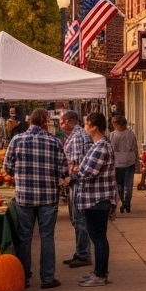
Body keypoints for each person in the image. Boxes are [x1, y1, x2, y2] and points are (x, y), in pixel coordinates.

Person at [3, 108, 69, 289]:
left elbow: (7, 167)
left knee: (25, 237)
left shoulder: (17, 140)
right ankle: (47, 278)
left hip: (24, 197)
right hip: (48, 197)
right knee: (47, 236)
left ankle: (23, 276)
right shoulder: (54, 141)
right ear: (45, 121)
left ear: (30, 121)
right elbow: (63, 171)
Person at [70, 111, 116, 287]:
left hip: (97, 199)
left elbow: (88, 172)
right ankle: (98, 271)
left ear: (94, 126)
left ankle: (101, 274)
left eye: (86, 124)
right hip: (93, 198)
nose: (84, 127)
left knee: (98, 237)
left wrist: (74, 172)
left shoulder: (101, 147)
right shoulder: (97, 145)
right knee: (96, 236)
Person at [59, 110, 93, 270]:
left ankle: (84, 254)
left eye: (61, 122)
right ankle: (80, 252)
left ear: (69, 121)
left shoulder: (79, 136)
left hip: (79, 184)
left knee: (80, 220)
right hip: (75, 184)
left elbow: (79, 163)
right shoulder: (74, 136)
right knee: (77, 220)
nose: (60, 125)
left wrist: (69, 178)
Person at [109, 116, 140, 212]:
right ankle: (127, 203)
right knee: (128, 184)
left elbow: (110, 150)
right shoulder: (131, 134)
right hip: (129, 162)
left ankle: (123, 202)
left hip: (117, 163)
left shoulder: (112, 135)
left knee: (120, 185)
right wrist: (137, 162)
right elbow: (135, 149)